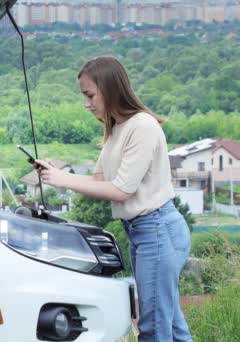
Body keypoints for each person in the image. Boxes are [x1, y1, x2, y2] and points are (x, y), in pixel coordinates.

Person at [34, 56, 192, 342]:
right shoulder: (117, 128)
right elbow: (99, 181)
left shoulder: (141, 126)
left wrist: (63, 180)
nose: (86, 103)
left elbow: (121, 190)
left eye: (90, 95)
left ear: (110, 89)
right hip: (143, 232)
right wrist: (55, 173)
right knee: (170, 324)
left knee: (154, 328)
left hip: (158, 230)